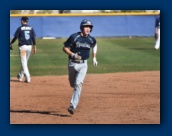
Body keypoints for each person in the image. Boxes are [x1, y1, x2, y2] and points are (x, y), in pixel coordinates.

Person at [63, 19, 98, 114]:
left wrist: (94, 58)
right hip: (72, 63)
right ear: (82, 27)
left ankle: (72, 106)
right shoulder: (74, 37)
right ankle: (74, 92)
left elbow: (95, 45)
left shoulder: (91, 39)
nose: (88, 29)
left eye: (89, 27)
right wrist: (72, 54)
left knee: (78, 84)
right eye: (86, 27)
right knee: (72, 84)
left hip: (83, 65)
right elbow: (65, 48)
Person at [10, 16, 36, 83]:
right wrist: (35, 46)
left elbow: (15, 37)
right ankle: (20, 76)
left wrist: (10, 43)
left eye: (21, 20)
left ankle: (28, 77)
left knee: (24, 62)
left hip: (23, 48)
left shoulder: (20, 28)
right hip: (29, 47)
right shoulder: (31, 28)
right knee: (25, 62)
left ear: (22, 21)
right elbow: (33, 38)